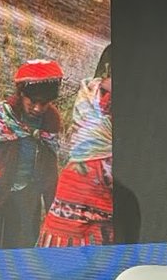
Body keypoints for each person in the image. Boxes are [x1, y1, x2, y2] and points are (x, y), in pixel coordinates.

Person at [0, 60, 64, 249]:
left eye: (43, 103)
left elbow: (50, 169)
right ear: (21, 95)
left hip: (27, 198)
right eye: (32, 102)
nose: (37, 108)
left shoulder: (50, 122)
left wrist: (52, 212)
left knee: (17, 248)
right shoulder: (4, 118)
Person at [39, 47, 113, 246]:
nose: (106, 101)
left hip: (88, 200)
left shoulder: (92, 94)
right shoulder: (89, 97)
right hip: (80, 198)